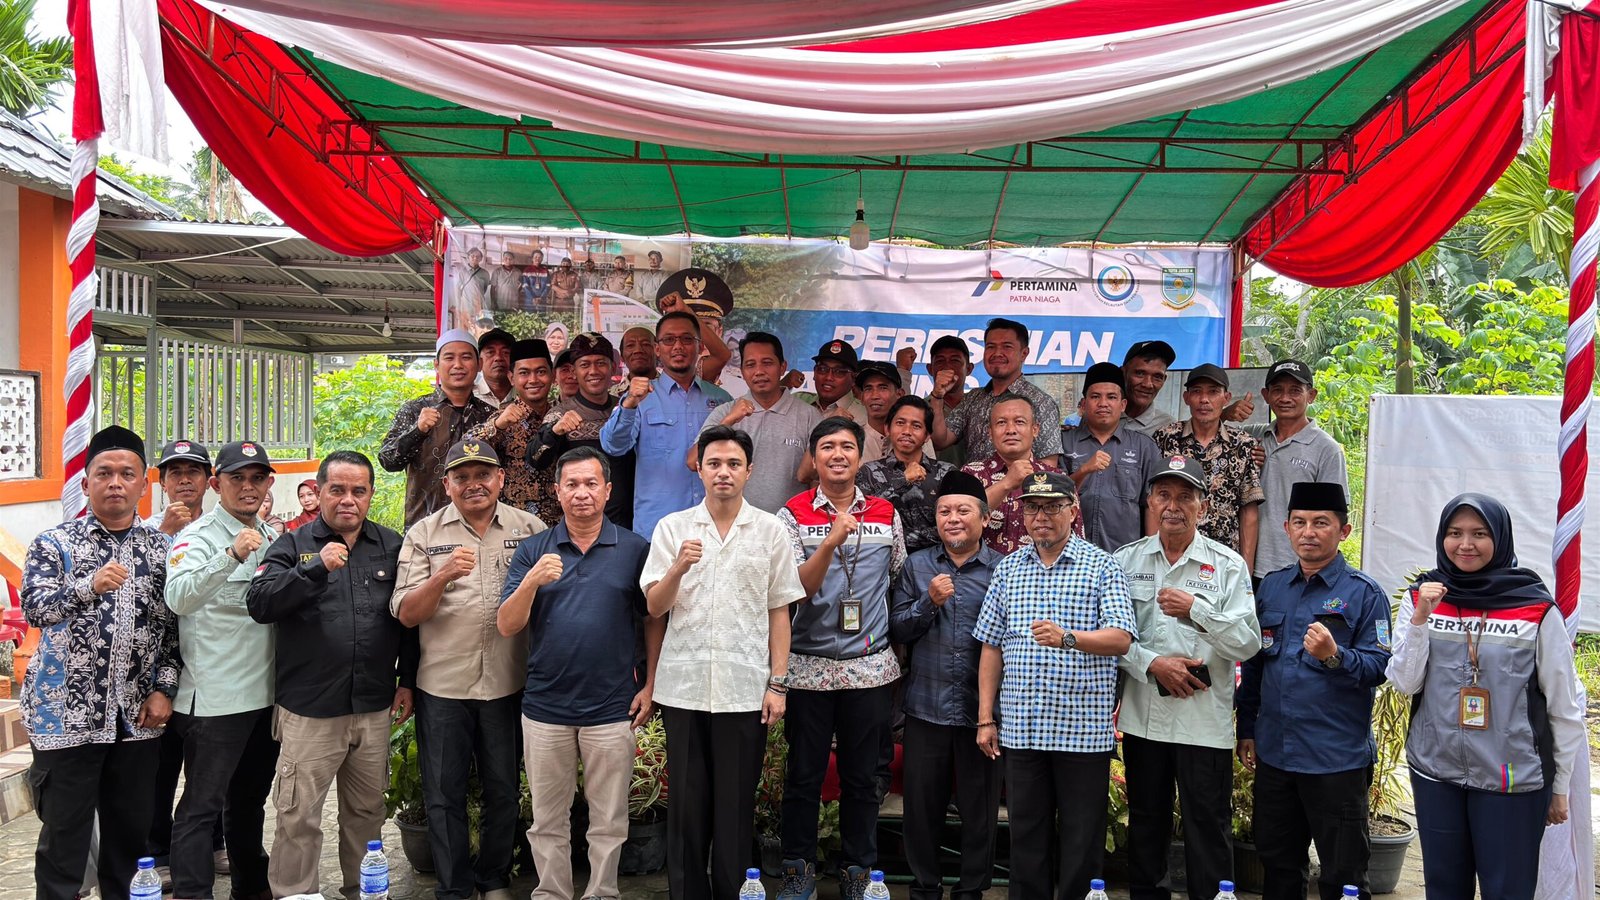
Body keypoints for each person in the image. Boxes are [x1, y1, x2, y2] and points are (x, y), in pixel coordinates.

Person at [1385, 494, 1584, 900]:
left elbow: (1563, 706)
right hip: (1436, 770)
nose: (1465, 544)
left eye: (1479, 534)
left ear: (1500, 538)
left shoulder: (1535, 608)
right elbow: (1404, 682)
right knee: (1444, 889)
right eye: (1454, 533)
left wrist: (1560, 786)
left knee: (1507, 890)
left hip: (1510, 778)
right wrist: (1421, 618)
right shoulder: (1422, 598)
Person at [246, 451, 418, 899]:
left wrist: (407, 679)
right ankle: (295, 893)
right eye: (337, 489)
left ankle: (364, 890)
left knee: (366, 812)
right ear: (319, 491)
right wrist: (315, 567)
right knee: (298, 815)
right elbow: (260, 603)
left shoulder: (392, 545)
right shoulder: (292, 545)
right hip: (310, 709)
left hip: (373, 705)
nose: (348, 499)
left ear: (371, 494)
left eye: (358, 490)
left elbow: (408, 619)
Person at [643, 426, 802, 900]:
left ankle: (735, 892)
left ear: (749, 471)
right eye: (714, 463)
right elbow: (654, 606)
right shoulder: (673, 528)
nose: (723, 472)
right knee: (686, 807)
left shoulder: (771, 531)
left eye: (734, 464)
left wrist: (778, 684)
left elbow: (779, 611)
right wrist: (678, 567)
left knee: (735, 807)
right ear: (700, 469)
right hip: (683, 686)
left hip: (744, 688)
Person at [497, 447, 662, 900]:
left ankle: (602, 891)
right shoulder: (534, 549)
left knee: (609, 819)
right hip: (545, 707)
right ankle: (551, 892)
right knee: (547, 819)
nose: (581, 493)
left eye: (591, 484)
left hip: (611, 706)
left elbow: (653, 617)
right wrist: (532, 580)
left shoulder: (634, 549)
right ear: (557, 492)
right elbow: (507, 625)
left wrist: (651, 684)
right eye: (571, 484)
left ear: (608, 490)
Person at [22, 426, 179, 900]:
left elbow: (175, 630)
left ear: (144, 484)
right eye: (104, 473)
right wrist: (88, 586)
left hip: (136, 719)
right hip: (65, 716)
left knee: (130, 838)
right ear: (85, 482)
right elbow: (36, 609)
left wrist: (164, 689)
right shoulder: (54, 544)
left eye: (127, 474)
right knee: (64, 840)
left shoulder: (163, 550)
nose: (115, 483)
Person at [392, 440, 546, 900]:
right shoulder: (424, 534)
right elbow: (406, 613)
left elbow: (551, 603)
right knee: (443, 795)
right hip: (443, 687)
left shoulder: (530, 529)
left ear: (500, 479)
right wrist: (441, 576)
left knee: (503, 790)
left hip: (508, 682)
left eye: (483, 475)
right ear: (447, 485)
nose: (473, 484)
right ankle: (455, 887)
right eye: (462, 477)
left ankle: (493, 878)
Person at [973, 471, 1135, 900]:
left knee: (1082, 840)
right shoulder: (1009, 568)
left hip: (1081, 731)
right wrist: (985, 718)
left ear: (1073, 510)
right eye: (1032, 507)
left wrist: (1069, 638)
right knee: (1026, 839)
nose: (1040, 516)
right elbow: (991, 646)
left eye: (1052, 507)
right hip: (1023, 730)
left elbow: (1121, 638)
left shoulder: (1102, 566)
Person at [1113, 455, 1262, 900]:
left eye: (1184, 497)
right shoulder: (1125, 561)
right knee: (1146, 824)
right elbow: (1112, 638)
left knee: (1208, 827)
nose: (1172, 506)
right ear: (1150, 502)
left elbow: (1248, 643)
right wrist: (1152, 664)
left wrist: (1196, 610)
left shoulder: (1228, 565)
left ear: (1204, 506)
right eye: (1163, 495)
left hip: (1203, 722)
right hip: (1144, 719)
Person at [1236, 482, 1391, 900]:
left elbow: (1379, 667)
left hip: (1335, 760)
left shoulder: (1365, 593)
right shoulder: (1271, 587)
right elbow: (1254, 664)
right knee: (1278, 866)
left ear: (1344, 530)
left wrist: (1334, 656)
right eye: (1300, 522)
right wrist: (1246, 728)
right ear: (1286, 528)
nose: (1309, 532)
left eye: (1321, 523)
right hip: (1277, 755)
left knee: (1344, 875)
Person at [774, 417, 906, 900]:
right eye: (827, 446)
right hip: (807, 668)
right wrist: (831, 540)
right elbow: (795, 589)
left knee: (861, 778)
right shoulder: (791, 515)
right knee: (804, 776)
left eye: (847, 446)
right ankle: (798, 869)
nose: (838, 455)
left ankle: (858, 871)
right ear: (814, 458)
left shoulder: (885, 513)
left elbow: (897, 578)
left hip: (868, 669)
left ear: (859, 456)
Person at [163, 440, 281, 900]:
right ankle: (193, 893)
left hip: (265, 697)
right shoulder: (196, 537)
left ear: (268, 483)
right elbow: (179, 598)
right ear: (216, 484)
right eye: (237, 478)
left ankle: (251, 890)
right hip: (216, 701)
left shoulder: (274, 538)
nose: (248, 487)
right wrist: (229, 555)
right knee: (201, 808)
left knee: (249, 802)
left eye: (257, 478)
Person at [889, 471, 1003, 900]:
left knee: (980, 811)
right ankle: (924, 888)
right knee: (922, 810)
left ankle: (971, 891)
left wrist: (991, 712)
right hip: (926, 708)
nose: (952, 519)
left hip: (982, 713)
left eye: (963, 511)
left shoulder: (1003, 569)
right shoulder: (917, 566)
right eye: (944, 511)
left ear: (985, 518)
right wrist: (928, 602)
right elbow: (898, 630)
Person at [146, 438, 219, 885]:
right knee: (159, 767)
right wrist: (163, 535)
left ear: (210, 481)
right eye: (175, 473)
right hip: (157, 670)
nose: (185, 480)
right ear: (161, 482)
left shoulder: (222, 529)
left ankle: (215, 842)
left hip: (207, 665)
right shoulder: (143, 530)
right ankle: (158, 851)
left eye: (194, 472)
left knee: (212, 765)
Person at [602, 312, 732, 537]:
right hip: (658, 529)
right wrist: (629, 403)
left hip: (713, 525)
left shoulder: (721, 399)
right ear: (657, 349)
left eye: (687, 339)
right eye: (669, 340)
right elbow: (614, 446)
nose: (678, 346)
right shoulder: (641, 397)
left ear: (700, 347)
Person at [380, 329, 497, 528]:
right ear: (436, 365)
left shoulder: (490, 415)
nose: (458, 365)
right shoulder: (415, 409)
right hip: (425, 525)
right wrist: (417, 430)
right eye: (449, 358)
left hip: (481, 524)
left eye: (466, 357)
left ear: (479, 365)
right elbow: (388, 461)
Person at [1152, 364, 1263, 569]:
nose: (1204, 399)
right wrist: (1152, 559)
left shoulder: (1243, 444)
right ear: (1186, 398)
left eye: (1213, 392)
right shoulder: (1165, 438)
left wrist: (1245, 570)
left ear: (1226, 398)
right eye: (1197, 392)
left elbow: (1249, 510)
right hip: (1172, 556)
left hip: (1223, 560)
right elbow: (1152, 500)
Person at [1250, 360, 1349, 581]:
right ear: (1266, 395)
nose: (1285, 398)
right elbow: (1210, 430)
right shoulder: (1253, 436)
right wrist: (1228, 413)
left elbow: (1334, 516)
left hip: (1299, 569)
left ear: (1311, 395)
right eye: (1277, 390)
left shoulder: (1327, 449)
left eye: (1295, 391)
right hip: (1249, 566)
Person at [700, 333, 821, 513]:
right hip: (735, 523)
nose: (759, 371)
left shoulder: (809, 416)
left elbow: (816, 479)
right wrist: (729, 421)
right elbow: (693, 461)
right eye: (750, 365)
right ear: (742, 371)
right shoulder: (726, 412)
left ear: (782, 367)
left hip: (791, 524)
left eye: (767, 363)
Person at [528, 332, 636, 529]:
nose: (593, 371)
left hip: (628, 525)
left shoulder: (627, 408)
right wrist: (555, 431)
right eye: (585, 365)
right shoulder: (561, 413)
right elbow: (535, 459)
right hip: (582, 527)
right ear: (574, 371)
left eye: (600, 363)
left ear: (613, 367)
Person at [929, 318, 1062, 466]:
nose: (997, 353)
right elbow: (940, 440)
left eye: (1007, 346)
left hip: (1022, 481)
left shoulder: (1042, 402)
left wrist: (1011, 480)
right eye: (991, 346)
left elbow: (1048, 466)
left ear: (1024, 353)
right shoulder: (973, 398)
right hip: (972, 481)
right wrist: (938, 396)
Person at [1061, 362, 1162, 552]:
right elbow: (1053, 498)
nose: (1103, 403)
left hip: (1125, 556)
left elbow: (1151, 505)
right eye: (1095, 396)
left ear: (1123, 405)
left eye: (1111, 397)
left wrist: (1151, 554)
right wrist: (1083, 470)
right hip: (1071, 555)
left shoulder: (1143, 447)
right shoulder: (1064, 442)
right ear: (1084, 404)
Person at [470, 339, 559, 525]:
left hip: (559, 526)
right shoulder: (502, 418)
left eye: (541, 372)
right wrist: (498, 425)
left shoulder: (561, 415)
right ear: (511, 378)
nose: (533, 380)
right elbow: (467, 448)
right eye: (524, 373)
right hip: (514, 527)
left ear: (552, 375)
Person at [961, 393, 1060, 554]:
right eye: (1001, 423)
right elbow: (960, 523)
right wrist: (1006, 483)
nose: (1010, 430)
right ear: (990, 432)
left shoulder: (1056, 479)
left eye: (1019, 422)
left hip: (1039, 569)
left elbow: (1074, 540)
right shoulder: (970, 475)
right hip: (982, 569)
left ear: (1035, 430)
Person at [857, 396, 956, 554]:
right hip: (884, 560)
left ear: (927, 436)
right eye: (900, 423)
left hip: (937, 562)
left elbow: (954, 527)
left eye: (916, 426)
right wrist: (903, 480)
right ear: (887, 429)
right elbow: (863, 518)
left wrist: (896, 537)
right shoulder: (869, 471)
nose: (907, 431)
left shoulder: (946, 472)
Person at [654, 267, 735, 386]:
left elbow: (722, 355)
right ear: (657, 348)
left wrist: (686, 310)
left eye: (705, 327)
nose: (697, 338)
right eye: (686, 333)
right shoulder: (655, 383)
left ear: (719, 331)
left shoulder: (739, 385)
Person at [925, 334, 974, 469]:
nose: (947, 367)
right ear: (930, 369)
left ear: (969, 368)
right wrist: (937, 395)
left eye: (955, 360)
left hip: (978, 479)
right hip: (932, 480)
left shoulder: (978, 403)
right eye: (940, 361)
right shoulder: (918, 408)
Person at [1120, 340, 1177, 436]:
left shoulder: (1168, 428)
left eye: (1157, 377)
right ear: (1123, 373)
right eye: (1140, 373)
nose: (1147, 384)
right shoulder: (1099, 417)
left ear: (1164, 380)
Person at [475, 327, 517, 407]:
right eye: (490, 352)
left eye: (505, 352)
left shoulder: (525, 396)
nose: (498, 358)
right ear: (479, 362)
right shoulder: (468, 397)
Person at [456, 247, 489, 328]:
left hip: (479, 306)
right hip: (466, 306)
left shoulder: (485, 273)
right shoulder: (463, 272)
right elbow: (458, 289)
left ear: (481, 258)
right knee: (465, 328)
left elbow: (484, 289)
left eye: (478, 256)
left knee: (479, 328)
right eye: (473, 256)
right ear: (468, 257)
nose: (475, 258)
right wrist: (458, 306)